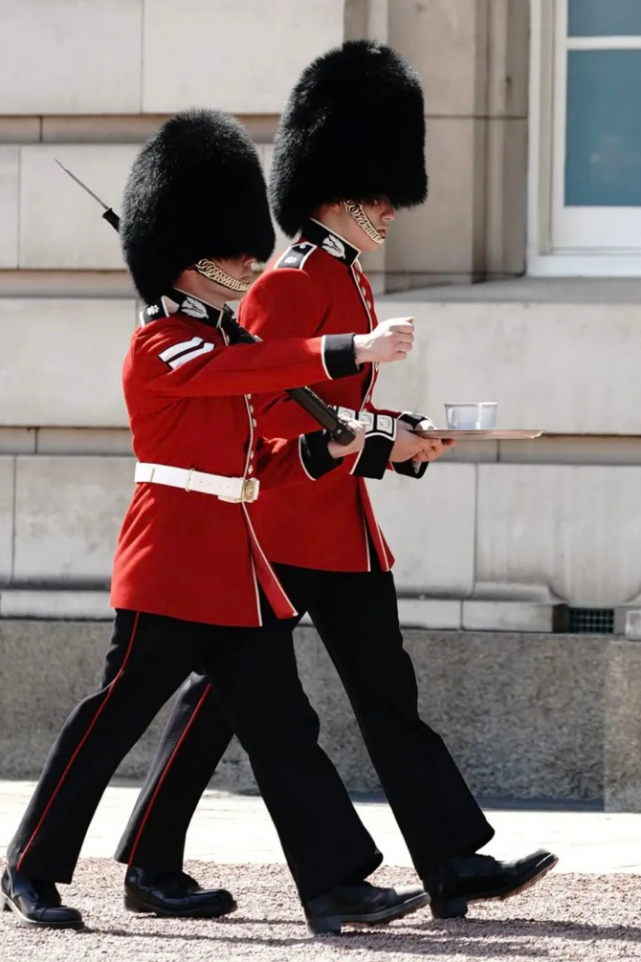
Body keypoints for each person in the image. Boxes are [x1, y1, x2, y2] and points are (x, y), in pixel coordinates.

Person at [113, 42, 558, 922]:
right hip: (279, 528)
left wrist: (401, 437)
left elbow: (331, 410)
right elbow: (275, 415)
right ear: (329, 193)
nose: (389, 212)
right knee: (220, 709)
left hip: (339, 530)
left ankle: (452, 863)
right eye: (374, 197)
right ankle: (149, 859)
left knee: (386, 693)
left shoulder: (346, 279)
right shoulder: (289, 284)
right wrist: (373, 446)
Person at [0, 108, 428, 935]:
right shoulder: (161, 344)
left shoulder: (217, 332)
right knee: (110, 721)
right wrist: (347, 349)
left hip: (237, 564)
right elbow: (249, 367)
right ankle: (29, 863)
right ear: (182, 262)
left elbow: (274, 411)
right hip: (171, 558)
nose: (246, 260)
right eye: (228, 253)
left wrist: (383, 437)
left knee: (282, 725)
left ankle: (334, 882)